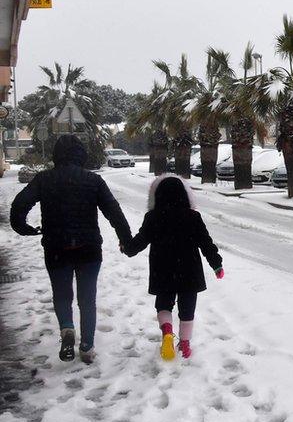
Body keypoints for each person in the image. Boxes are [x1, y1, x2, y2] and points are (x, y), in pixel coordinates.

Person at [10, 135, 132, 364]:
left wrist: (23, 228)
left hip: (56, 247)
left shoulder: (44, 179)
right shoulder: (93, 181)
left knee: (62, 294)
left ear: (56, 155)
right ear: (81, 155)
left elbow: (19, 205)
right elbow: (114, 212)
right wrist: (127, 241)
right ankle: (86, 347)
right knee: (87, 298)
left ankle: (67, 328)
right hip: (89, 248)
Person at [123, 174, 223, 360]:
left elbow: (141, 240)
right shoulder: (193, 217)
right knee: (187, 309)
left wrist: (128, 248)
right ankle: (184, 345)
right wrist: (216, 264)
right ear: (184, 196)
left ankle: (167, 331)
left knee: (163, 304)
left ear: (158, 196)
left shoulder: (152, 217)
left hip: (163, 269)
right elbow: (205, 242)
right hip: (189, 270)